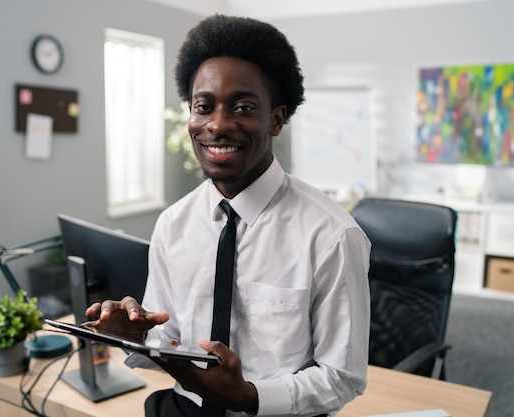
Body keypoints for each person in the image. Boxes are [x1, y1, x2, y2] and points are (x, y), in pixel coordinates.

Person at [85, 14, 371, 417]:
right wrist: (137, 336)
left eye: (242, 107)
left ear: (276, 119)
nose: (217, 125)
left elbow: (342, 376)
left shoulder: (331, 234)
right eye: (204, 107)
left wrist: (250, 397)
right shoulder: (174, 223)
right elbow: (168, 341)